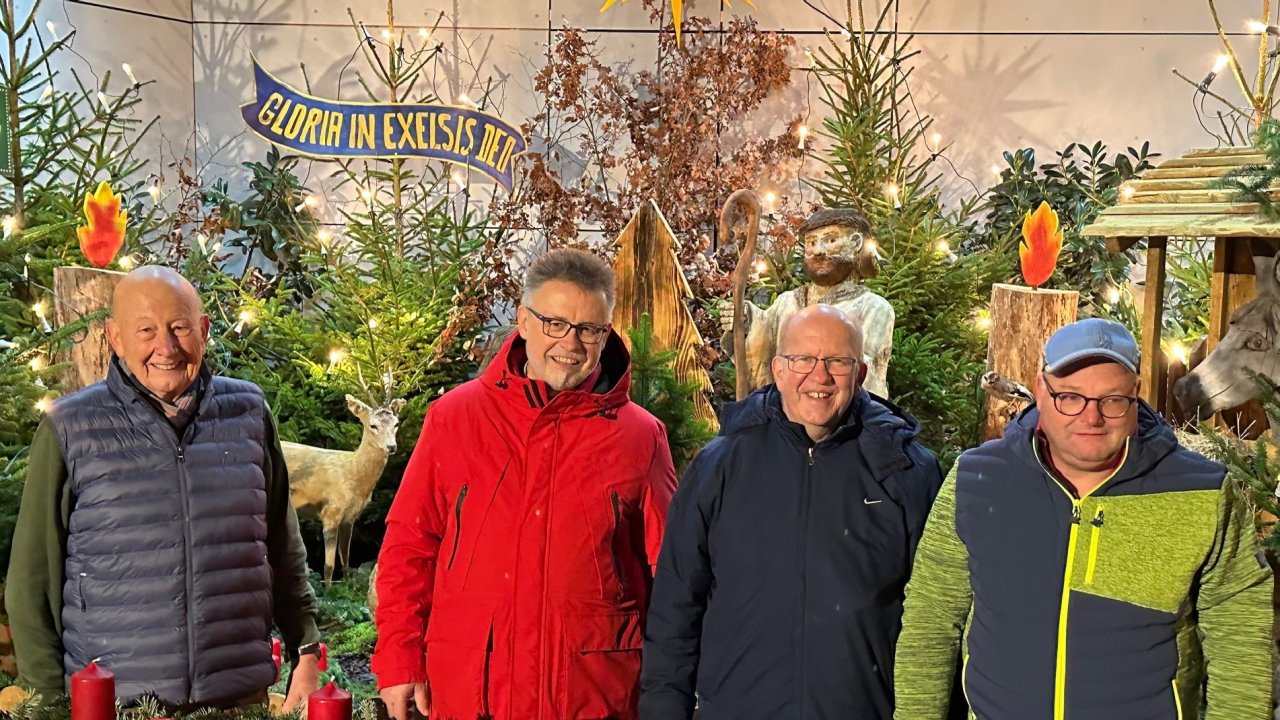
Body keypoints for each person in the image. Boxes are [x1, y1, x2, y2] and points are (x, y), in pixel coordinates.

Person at [894, 318, 1274, 720]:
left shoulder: (1202, 491)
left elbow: (1241, 640)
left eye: (1111, 400)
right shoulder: (978, 479)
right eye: (1070, 397)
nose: (1090, 418)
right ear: (1041, 391)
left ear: (1135, 395)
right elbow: (930, 621)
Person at [372, 248, 678, 720]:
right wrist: (399, 657)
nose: (570, 344)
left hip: (591, 693)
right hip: (473, 689)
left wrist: (675, 685)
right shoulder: (455, 418)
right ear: (524, 321)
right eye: (555, 323)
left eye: (589, 330)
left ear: (606, 334)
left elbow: (674, 573)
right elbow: (409, 546)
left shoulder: (640, 436)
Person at [6, 266, 320, 709]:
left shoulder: (248, 414)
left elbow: (282, 546)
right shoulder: (71, 428)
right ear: (115, 338)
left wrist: (305, 646)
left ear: (204, 330)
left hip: (236, 701)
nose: (166, 348)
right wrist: (49, 703)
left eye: (179, 328)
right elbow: (31, 582)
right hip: (118, 706)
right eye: (146, 330)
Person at [641, 304, 943, 719]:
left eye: (837, 361)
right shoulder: (722, 465)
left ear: (861, 373)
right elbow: (676, 605)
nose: (819, 377)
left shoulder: (906, 470)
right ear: (779, 369)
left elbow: (935, 620)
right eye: (803, 359)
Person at [723, 208, 894, 397]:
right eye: (811, 242)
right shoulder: (786, 302)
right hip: (782, 416)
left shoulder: (873, 308)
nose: (818, 251)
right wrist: (744, 319)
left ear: (855, 243)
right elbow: (762, 347)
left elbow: (865, 377)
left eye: (831, 240)